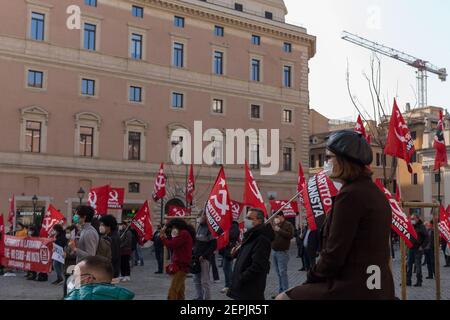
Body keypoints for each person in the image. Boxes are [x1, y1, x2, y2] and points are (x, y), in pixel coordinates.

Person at [277, 130, 395, 300]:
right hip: (377, 286)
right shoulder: (375, 192)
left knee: (283, 298)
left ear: (343, 160)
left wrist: (310, 279)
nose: (326, 163)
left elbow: (334, 254)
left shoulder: (350, 195)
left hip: (354, 287)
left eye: (328, 157)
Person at [227, 208, 275, 300]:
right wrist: (236, 253)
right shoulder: (250, 235)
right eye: (246, 217)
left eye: (249, 218)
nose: (246, 220)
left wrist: (241, 278)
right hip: (242, 289)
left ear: (259, 221)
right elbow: (246, 256)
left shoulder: (261, 239)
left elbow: (257, 265)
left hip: (250, 290)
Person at [65, 256, 134, 300]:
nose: (73, 278)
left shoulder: (75, 297)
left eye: (76, 275)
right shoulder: (122, 295)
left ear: (88, 279)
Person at [160, 218, 195, 300]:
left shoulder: (184, 233)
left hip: (181, 265)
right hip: (181, 265)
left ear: (176, 226)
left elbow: (172, 245)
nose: (172, 229)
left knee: (173, 290)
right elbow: (174, 243)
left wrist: (163, 237)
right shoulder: (183, 233)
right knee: (180, 291)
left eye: (172, 227)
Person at [192, 212, 217, 300]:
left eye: (201, 216)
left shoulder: (210, 229)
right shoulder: (199, 227)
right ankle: (199, 297)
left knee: (205, 281)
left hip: (204, 259)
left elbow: (213, 245)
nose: (199, 218)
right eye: (199, 216)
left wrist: (204, 255)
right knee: (196, 279)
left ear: (207, 217)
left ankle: (207, 298)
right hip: (196, 258)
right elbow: (197, 243)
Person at [271, 211, 294, 296]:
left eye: (276, 217)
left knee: (282, 273)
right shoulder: (275, 225)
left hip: (282, 252)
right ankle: (280, 291)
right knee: (278, 273)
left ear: (281, 216)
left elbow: (291, 235)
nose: (275, 219)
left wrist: (279, 230)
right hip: (274, 251)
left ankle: (285, 292)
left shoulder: (288, 224)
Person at [406, 214, 429, 287]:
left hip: (418, 249)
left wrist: (422, 246)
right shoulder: (412, 226)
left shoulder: (421, 227)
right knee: (408, 265)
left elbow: (427, 237)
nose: (412, 220)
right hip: (411, 248)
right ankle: (408, 281)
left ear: (418, 219)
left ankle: (419, 281)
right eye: (411, 218)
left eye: (413, 218)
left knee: (418, 265)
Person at [219, 220, 240, 294]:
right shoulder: (226, 225)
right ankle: (228, 285)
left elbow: (233, 236)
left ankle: (230, 285)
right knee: (226, 267)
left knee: (227, 267)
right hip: (225, 250)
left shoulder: (234, 226)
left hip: (229, 250)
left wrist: (225, 232)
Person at [99, 215, 120, 283]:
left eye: (102, 225)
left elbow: (113, 256)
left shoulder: (112, 238)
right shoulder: (110, 236)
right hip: (111, 270)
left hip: (110, 271)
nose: (100, 227)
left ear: (109, 226)